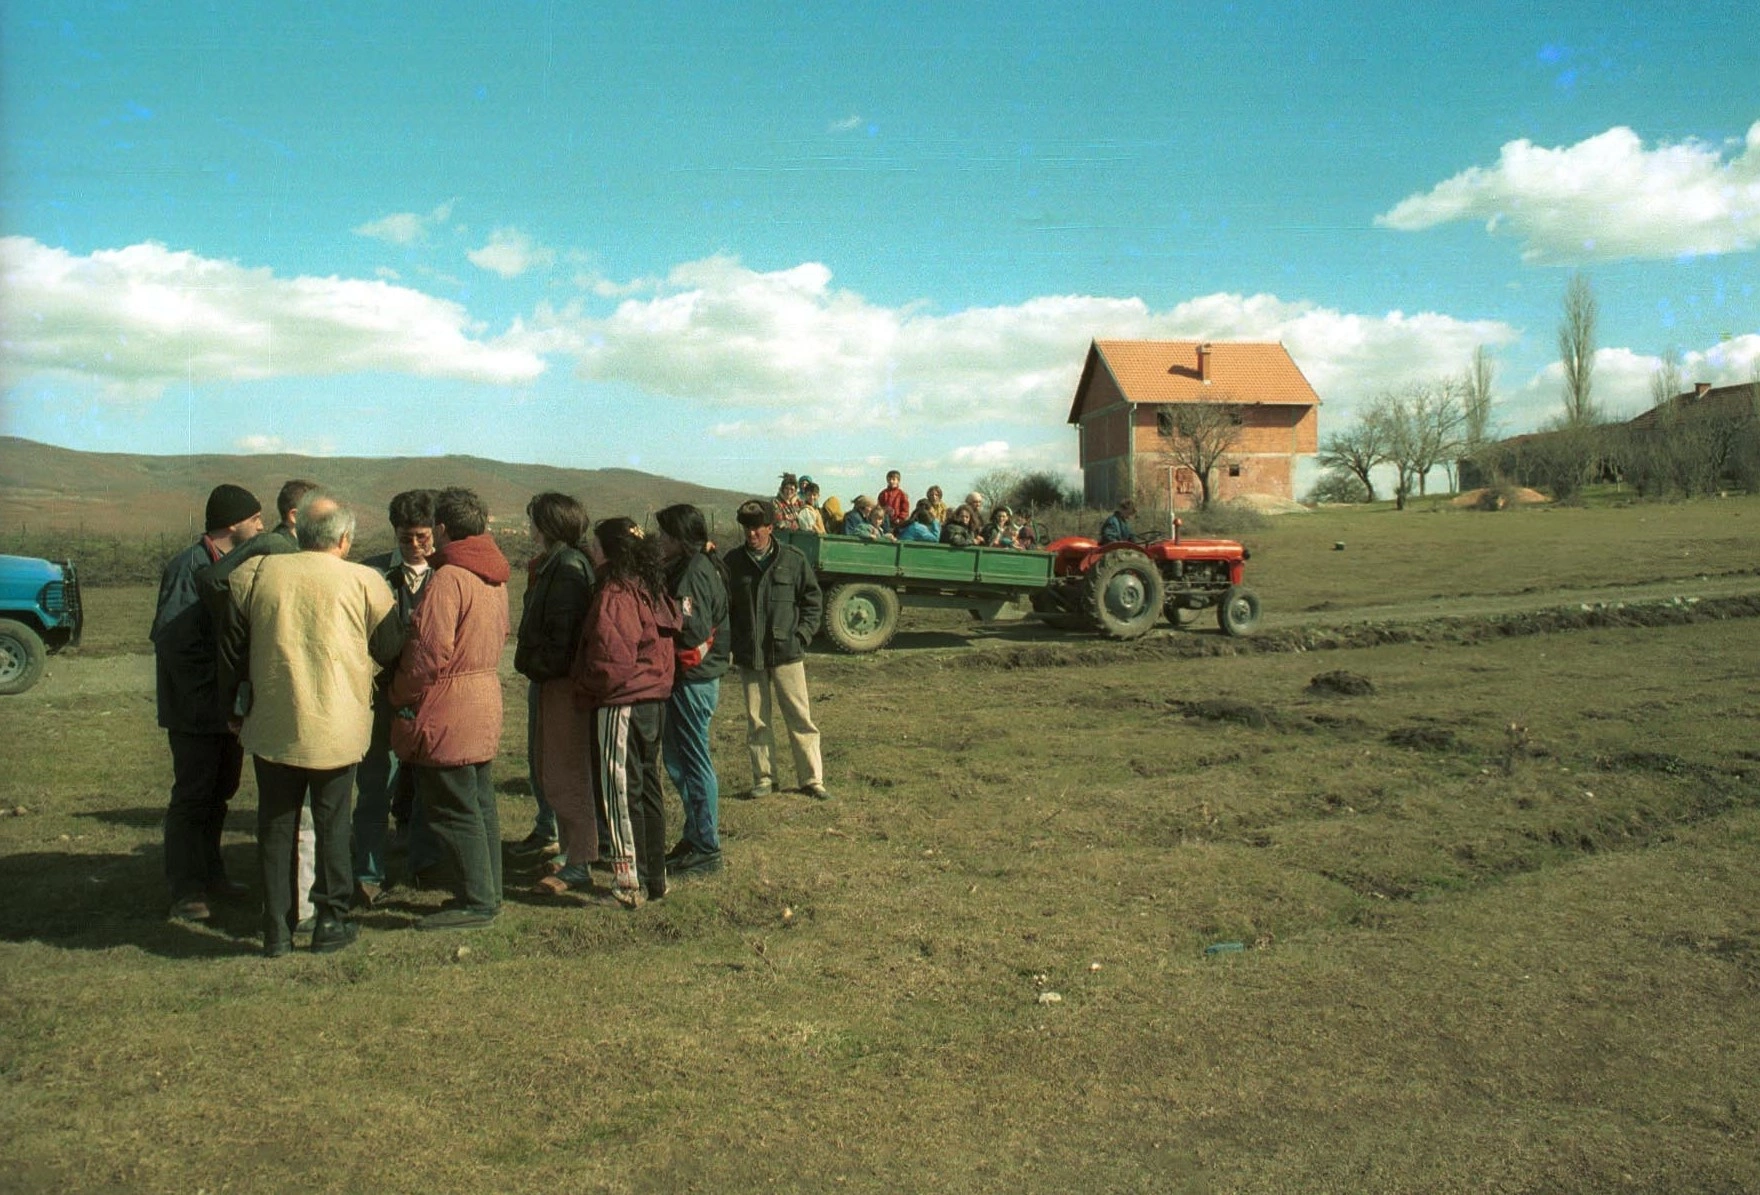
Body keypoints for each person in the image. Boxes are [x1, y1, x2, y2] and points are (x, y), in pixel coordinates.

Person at [221, 490, 402, 957]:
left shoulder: (256, 573)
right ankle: (330, 920)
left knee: (276, 824)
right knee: (333, 822)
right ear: (344, 539)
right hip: (338, 724)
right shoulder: (366, 581)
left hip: (274, 719)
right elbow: (389, 648)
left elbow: (232, 646)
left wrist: (235, 703)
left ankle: (276, 928)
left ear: (298, 532)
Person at [200, 478, 322, 925]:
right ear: (296, 516)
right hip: (279, 685)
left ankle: (289, 903)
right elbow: (215, 582)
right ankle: (298, 903)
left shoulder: (275, 546)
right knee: (294, 807)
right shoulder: (276, 548)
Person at [389, 488, 512, 931]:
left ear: (442, 528)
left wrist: (398, 694)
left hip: (448, 705)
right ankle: (488, 891)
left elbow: (427, 652)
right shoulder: (494, 577)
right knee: (479, 804)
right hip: (482, 697)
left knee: (453, 809)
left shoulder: (449, 579)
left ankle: (477, 901)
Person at [151, 483, 264, 923]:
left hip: (224, 712)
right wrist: (214, 697)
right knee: (193, 798)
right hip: (197, 711)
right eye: (255, 520)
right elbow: (176, 643)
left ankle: (212, 875)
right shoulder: (189, 568)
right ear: (233, 524)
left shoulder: (232, 564)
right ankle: (186, 890)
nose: (260, 526)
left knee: (220, 794)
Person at [574, 518, 680, 908]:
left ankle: (628, 883)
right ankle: (656, 878)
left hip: (622, 703)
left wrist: (583, 686)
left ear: (609, 551)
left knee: (620, 792)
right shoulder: (650, 587)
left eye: (597, 546)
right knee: (647, 789)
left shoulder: (616, 593)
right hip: (653, 701)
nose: (593, 552)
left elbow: (611, 664)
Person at [351, 489, 441, 906]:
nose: (415, 546)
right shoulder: (369, 574)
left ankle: (423, 866)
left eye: (422, 537)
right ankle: (367, 873)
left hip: (432, 698)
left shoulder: (448, 574)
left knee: (428, 785)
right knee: (375, 785)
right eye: (406, 538)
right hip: (382, 697)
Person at [516, 493, 600, 897]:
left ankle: (581, 862)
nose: (530, 527)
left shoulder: (566, 567)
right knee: (556, 769)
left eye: (534, 520)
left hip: (563, 683)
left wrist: (537, 665)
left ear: (547, 525)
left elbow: (563, 637)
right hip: (557, 680)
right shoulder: (563, 563)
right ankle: (572, 854)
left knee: (567, 772)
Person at [726, 500, 828, 800]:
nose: (751, 533)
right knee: (757, 720)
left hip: (787, 653)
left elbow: (813, 601)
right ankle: (765, 779)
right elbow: (725, 608)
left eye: (757, 528)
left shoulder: (793, 560)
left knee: (800, 717)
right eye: (747, 528)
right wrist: (733, 644)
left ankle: (811, 780)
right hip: (750, 655)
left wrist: (802, 635)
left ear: (771, 528)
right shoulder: (733, 563)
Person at [656, 504, 731, 878]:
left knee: (692, 761)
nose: (660, 542)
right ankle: (696, 835)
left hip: (692, 679)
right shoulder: (702, 565)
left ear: (680, 539)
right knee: (683, 760)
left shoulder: (691, 573)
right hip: (696, 677)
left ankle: (705, 845)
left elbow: (691, 629)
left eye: (666, 536)